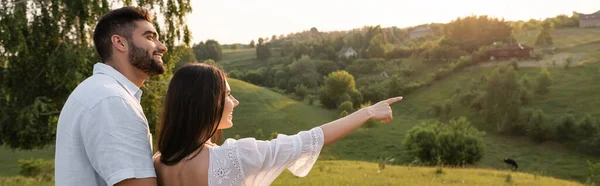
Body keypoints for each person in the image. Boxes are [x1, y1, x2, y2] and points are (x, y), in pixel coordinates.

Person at [153, 63, 403, 186]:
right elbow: (311, 139)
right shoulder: (234, 157)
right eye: (228, 95)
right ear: (207, 103)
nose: (235, 101)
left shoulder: (158, 161)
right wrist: (367, 112)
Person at [55, 6, 167, 186]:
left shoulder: (99, 91)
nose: (162, 47)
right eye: (149, 37)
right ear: (120, 43)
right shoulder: (112, 100)